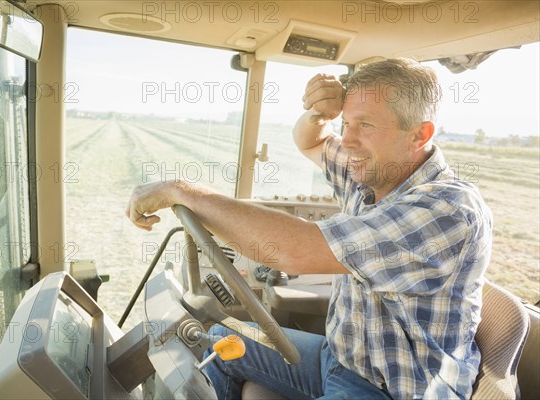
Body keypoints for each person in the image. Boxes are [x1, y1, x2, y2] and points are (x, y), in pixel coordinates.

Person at [126, 58, 492, 399]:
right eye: (346, 123)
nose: (347, 140)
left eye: (365, 125)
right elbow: (311, 139)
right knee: (222, 340)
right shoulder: (373, 175)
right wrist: (319, 113)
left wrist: (182, 191)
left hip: (392, 390)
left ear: (419, 135)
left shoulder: (446, 210)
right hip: (342, 358)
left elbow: (293, 252)